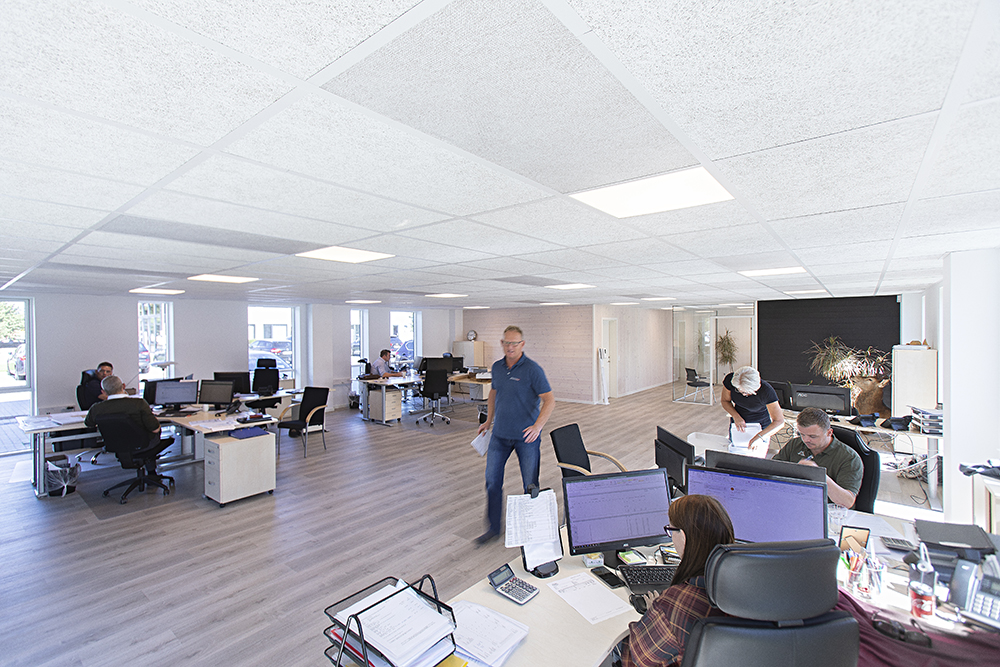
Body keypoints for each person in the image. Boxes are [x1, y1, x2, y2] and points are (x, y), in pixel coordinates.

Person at [617, 495, 735, 667]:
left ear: (684, 537)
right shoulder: (742, 584)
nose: (671, 538)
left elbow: (639, 659)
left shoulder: (678, 602)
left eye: (671, 531)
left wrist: (656, 615)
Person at [475, 326, 555, 544]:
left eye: (515, 343)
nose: (510, 347)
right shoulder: (497, 367)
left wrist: (538, 426)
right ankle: (493, 528)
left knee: (530, 484)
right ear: (502, 344)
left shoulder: (532, 370)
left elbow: (549, 399)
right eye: (507, 343)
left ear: (522, 344)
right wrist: (488, 420)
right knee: (492, 481)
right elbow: (494, 393)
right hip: (499, 436)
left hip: (526, 438)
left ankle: (533, 530)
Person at [771, 407, 863, 508]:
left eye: (812, 436)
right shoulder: (795, 444)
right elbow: (772, 474)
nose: (806, 440)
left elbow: (847, 502)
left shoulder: (849, 458)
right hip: (794, 503)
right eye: (802, 434)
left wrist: (820, 476)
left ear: (829, 433)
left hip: (827, 510)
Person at [84, 375, 163, 447]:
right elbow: (155, 429)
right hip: (141, 444)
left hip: (114, 444)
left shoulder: (96, 408)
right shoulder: (139, 403)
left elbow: (89, 424)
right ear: (123, 386)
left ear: (103, 392)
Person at [720, 366, 784, 454]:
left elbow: (779, 421)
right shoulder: (731, 380)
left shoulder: (766, 391)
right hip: (738, 426)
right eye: (739, 391)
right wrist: (735, 416)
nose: (743, 395)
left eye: (746, 392)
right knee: (736, 456)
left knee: (756, 460)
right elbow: (725, 401)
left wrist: (759, 437)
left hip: (760, 427)